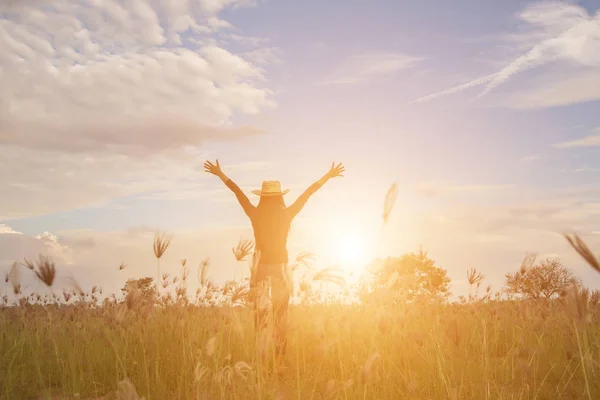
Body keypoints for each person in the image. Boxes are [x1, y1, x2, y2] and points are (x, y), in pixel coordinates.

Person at [204, 159, 344, 359]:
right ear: (279, 197)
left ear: (262, 197)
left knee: (259, 316)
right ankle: (280, 360)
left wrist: (220, 173)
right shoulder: (286, 214)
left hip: (259, 268)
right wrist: (328, 176)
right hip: (280, 269)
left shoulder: (255, 213)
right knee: (281, 316)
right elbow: (308, 193)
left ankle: (261, 358)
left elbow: (238, 193)